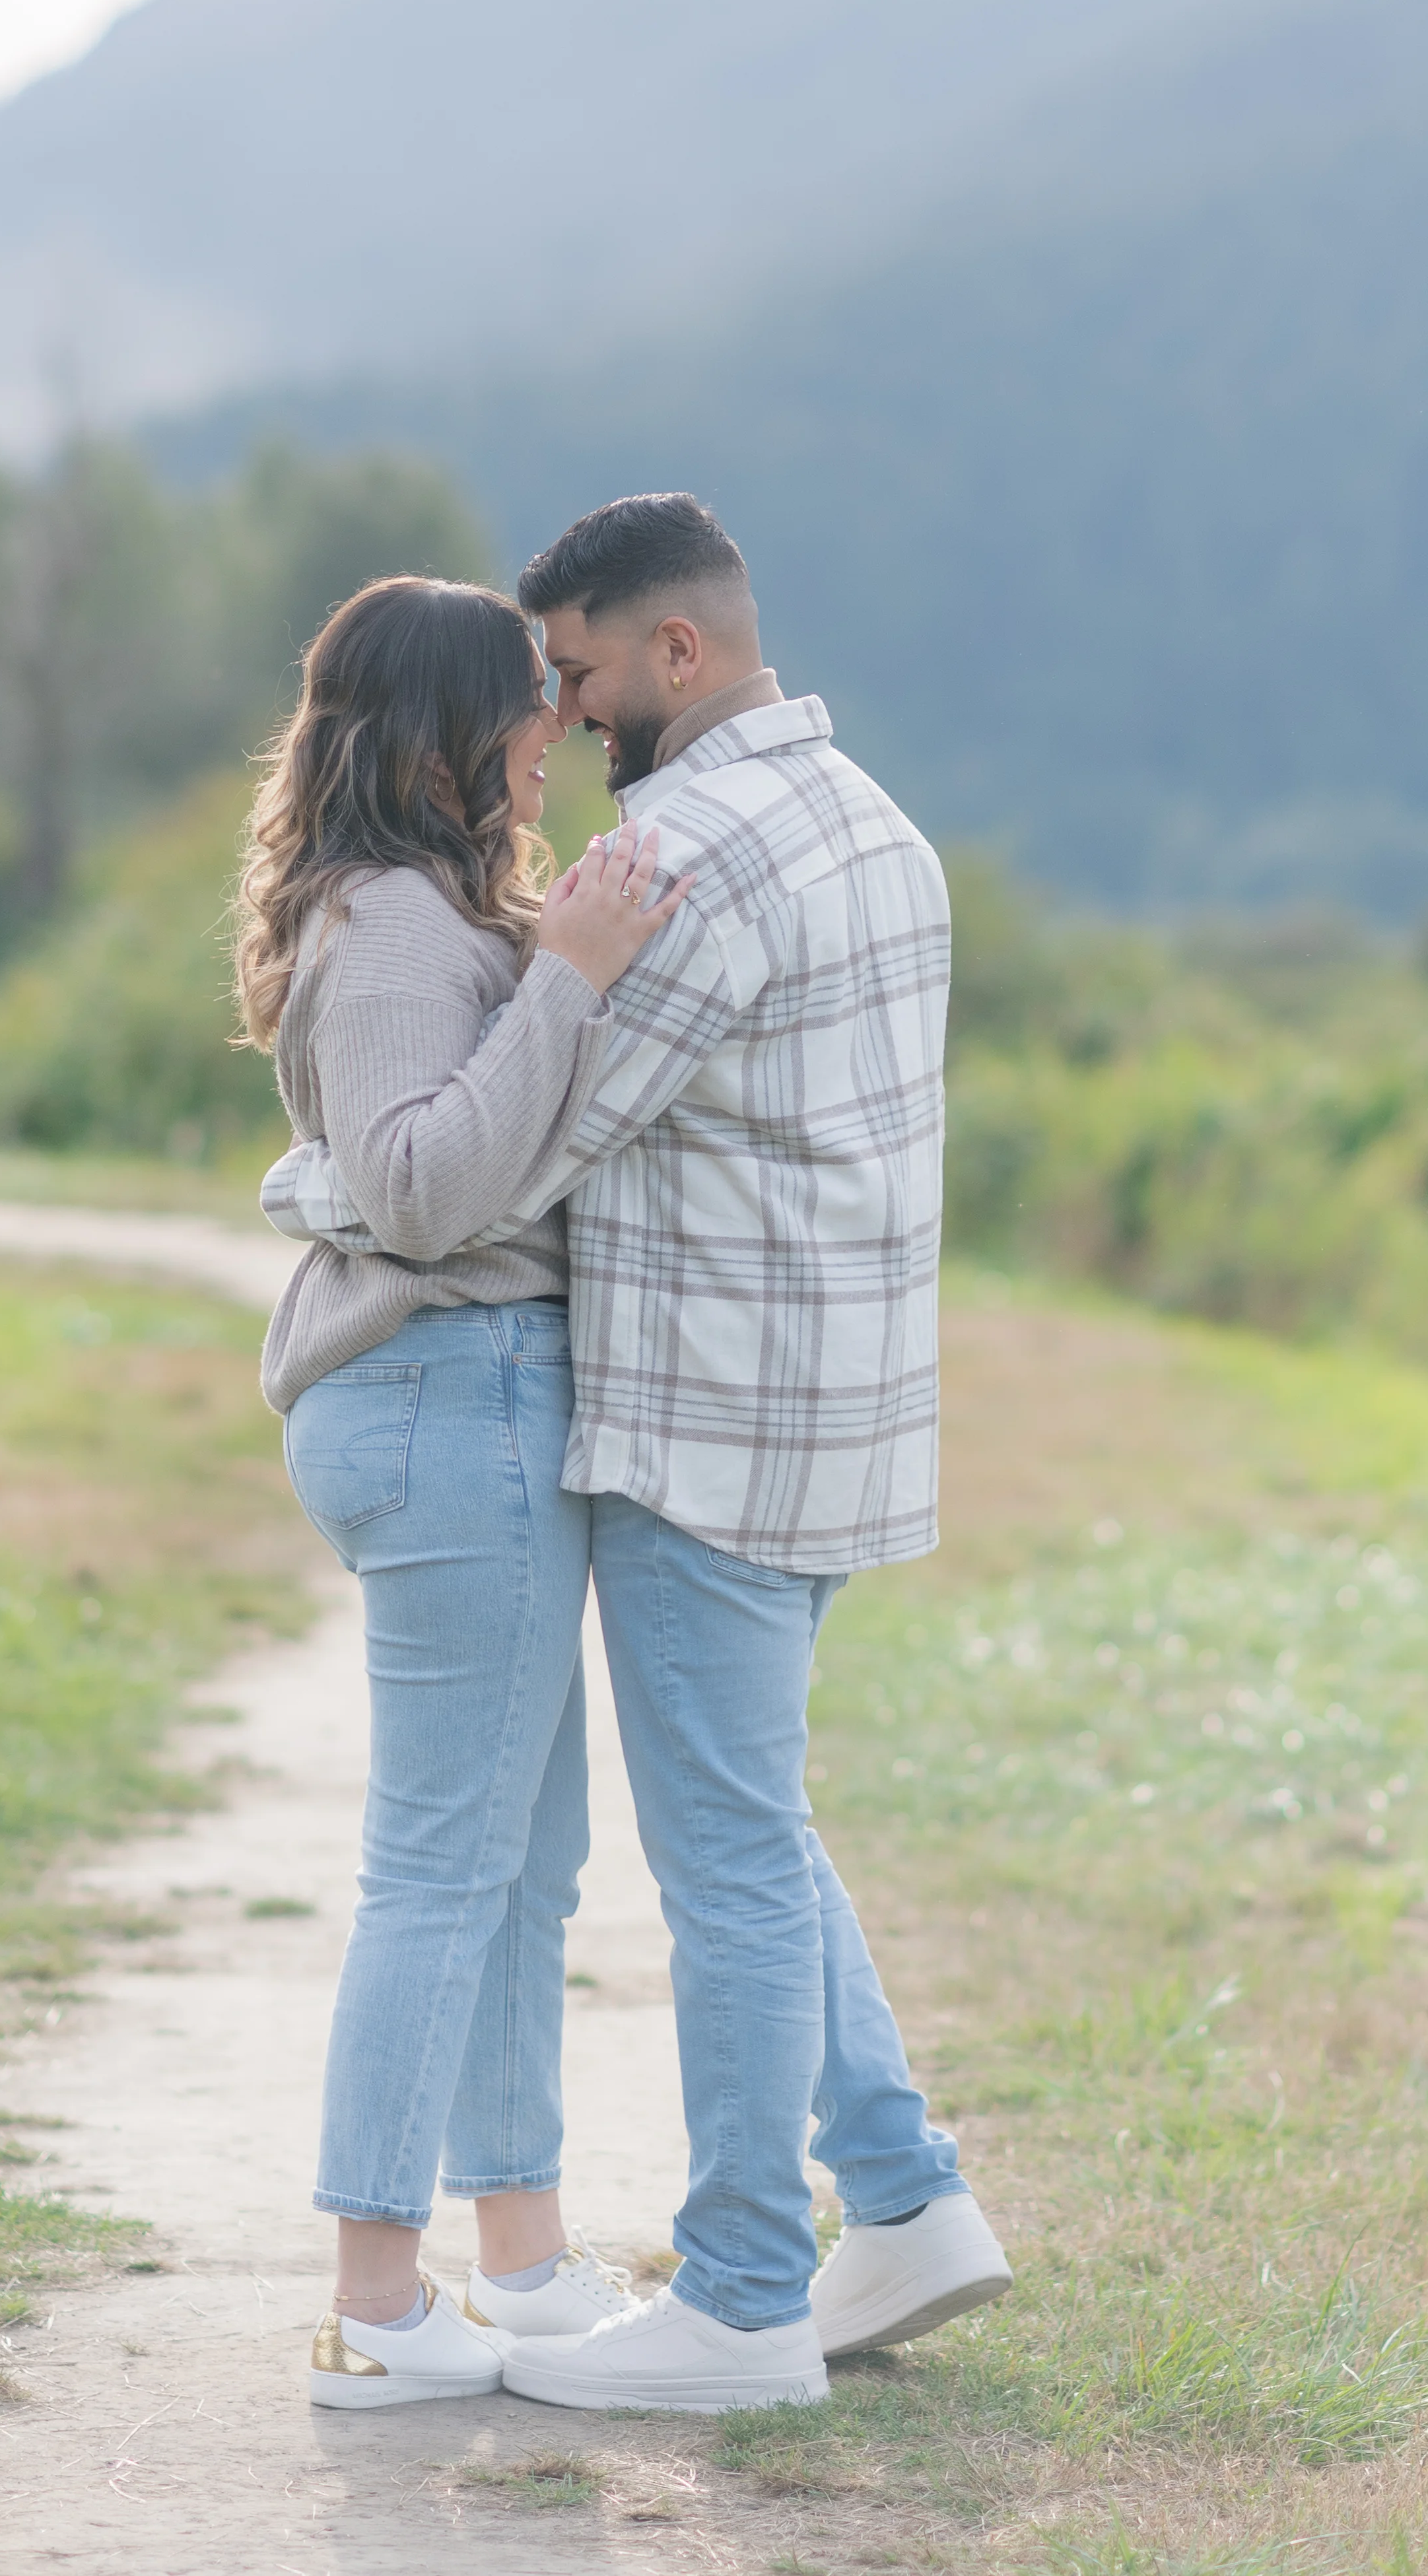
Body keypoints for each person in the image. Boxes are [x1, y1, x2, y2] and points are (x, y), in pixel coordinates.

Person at [479, 491, 1013, 2416]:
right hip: (841, 1413)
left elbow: (546, 1129)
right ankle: (901, 2202)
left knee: (721, 1864)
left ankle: (738, 2296)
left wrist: (349, 1181)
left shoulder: (685, 848)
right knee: (756, 1824)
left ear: (673, 654)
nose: (567, 712)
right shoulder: (872, 818)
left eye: (579, 672)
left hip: (710, 1422)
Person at [232, 572, 686, 2410]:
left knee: (522, 1864)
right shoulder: (403, 928)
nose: (556, 731)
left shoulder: (407, 910)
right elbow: (421, 1190)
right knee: (441, 1868)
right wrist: (568, 980)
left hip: (464, 1406)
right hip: (453, 1397)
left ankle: (518, 2255)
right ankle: (374, 2301)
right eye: (530, 702)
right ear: (449, 730)